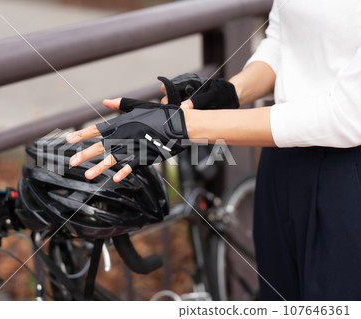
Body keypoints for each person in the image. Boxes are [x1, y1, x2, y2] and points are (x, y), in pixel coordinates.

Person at [65, 0, 361, 301]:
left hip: (348, 176)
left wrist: (181, 125)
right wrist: (230, 93)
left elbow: (348, 115)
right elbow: (283, 40)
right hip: (282, 161)